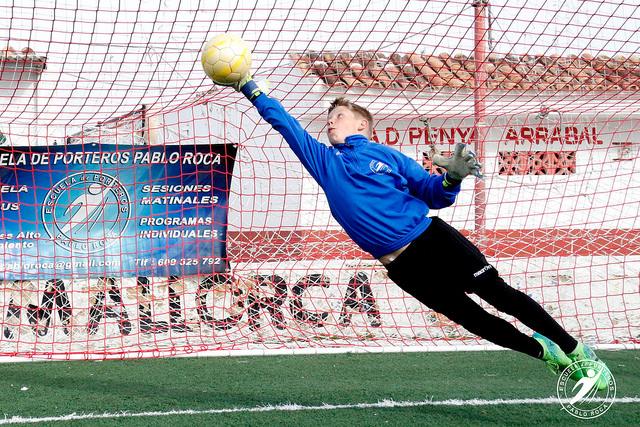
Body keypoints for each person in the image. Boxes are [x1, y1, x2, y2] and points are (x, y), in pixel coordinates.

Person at [219, 70, 610, 389]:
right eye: (329, 117)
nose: (330, 121)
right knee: (472, 319)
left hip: (433, 240)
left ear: (361, 123)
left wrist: (451, 179)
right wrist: (250, 88)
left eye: (337, 115)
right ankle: (546, 354)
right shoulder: (324, 161)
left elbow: (434, 194)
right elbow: (284, 123)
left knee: (498, 294)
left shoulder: (388, 156)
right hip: (401, 267)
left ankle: (574, 349)